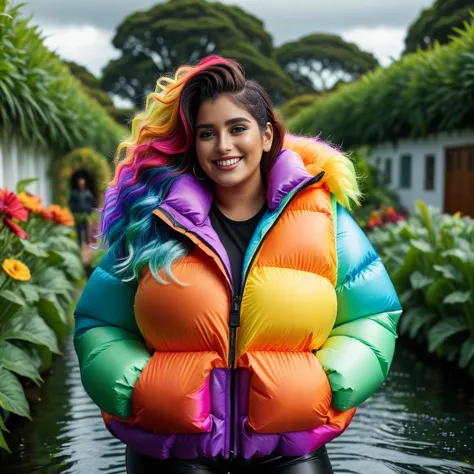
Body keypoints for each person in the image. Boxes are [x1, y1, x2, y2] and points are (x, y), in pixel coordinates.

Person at [73, 56, 402, 474]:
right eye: (208, 133)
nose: (223, 146)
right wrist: (135, 387)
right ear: (194, 145)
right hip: (172, 450)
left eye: (237, 128)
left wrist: (331, 381)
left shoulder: (323, 216)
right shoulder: (152, 221)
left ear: (266, 136)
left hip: (290, 449)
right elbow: (98, 322)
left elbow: (374, 314)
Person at [69, 177, 94, 247]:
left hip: (85, 213)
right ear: (78, 184)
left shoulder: (88, 193)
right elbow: (71, 203)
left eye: (82, 184)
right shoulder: (74, 193)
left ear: (84, 184)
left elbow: (91, 202)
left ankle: (87, 243)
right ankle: (79, 244)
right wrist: (74, 210)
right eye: (80, 183)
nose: (81, 185)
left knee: (86, 228)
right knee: (78, 229)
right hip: (78, 214)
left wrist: (89, 210)